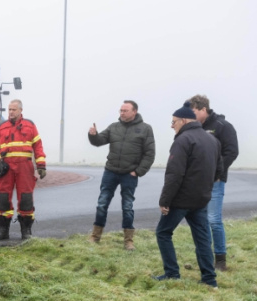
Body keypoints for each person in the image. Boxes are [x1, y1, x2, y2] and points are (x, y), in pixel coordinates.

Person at [154, 104, 222, 288]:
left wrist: (165, 200)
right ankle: (209, 279)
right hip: (201, 200)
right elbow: (219, 170)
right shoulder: (212, 140)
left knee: (163, 232)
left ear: (183, 121)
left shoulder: (182, 140)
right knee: (203, 239)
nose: (171, 126)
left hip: (181, 200)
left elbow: (174, 174)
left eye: (173, 122)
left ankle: (172, 273)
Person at [87, 100, 155, 250]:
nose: (122, 113)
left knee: (127, 206)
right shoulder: (114, 127)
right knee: (102, 204)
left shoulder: (145, 129)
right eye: (120, 110)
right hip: (110, 172)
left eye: (125, 111)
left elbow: (150, 154)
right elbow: (99, 141)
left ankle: (128, 241)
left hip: (129, 174)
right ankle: (95, 236)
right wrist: (93, 135)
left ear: (134, 112)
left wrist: (137, 172)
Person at [188, 95, 239, 271]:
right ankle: (205, 260)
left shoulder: (223, 126)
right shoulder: (193, 128)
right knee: (200, 220)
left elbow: (231, 152)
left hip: (215, 181)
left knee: (213, 220)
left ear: (203, 109)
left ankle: (220, 261)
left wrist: (216, 172)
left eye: (193, 111)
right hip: (196, 182)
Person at [0, 99, 46, 240]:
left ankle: (26, 230)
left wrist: (41, 165)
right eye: (9, 109)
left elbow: (38, 146)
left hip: (25, 168)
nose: (11, 112)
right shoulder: (2, 127)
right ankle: (3, 229)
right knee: (3, 198)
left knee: (25, 198)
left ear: (20, 110)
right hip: (6, 168)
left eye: (13, 110)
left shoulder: (30, 126)